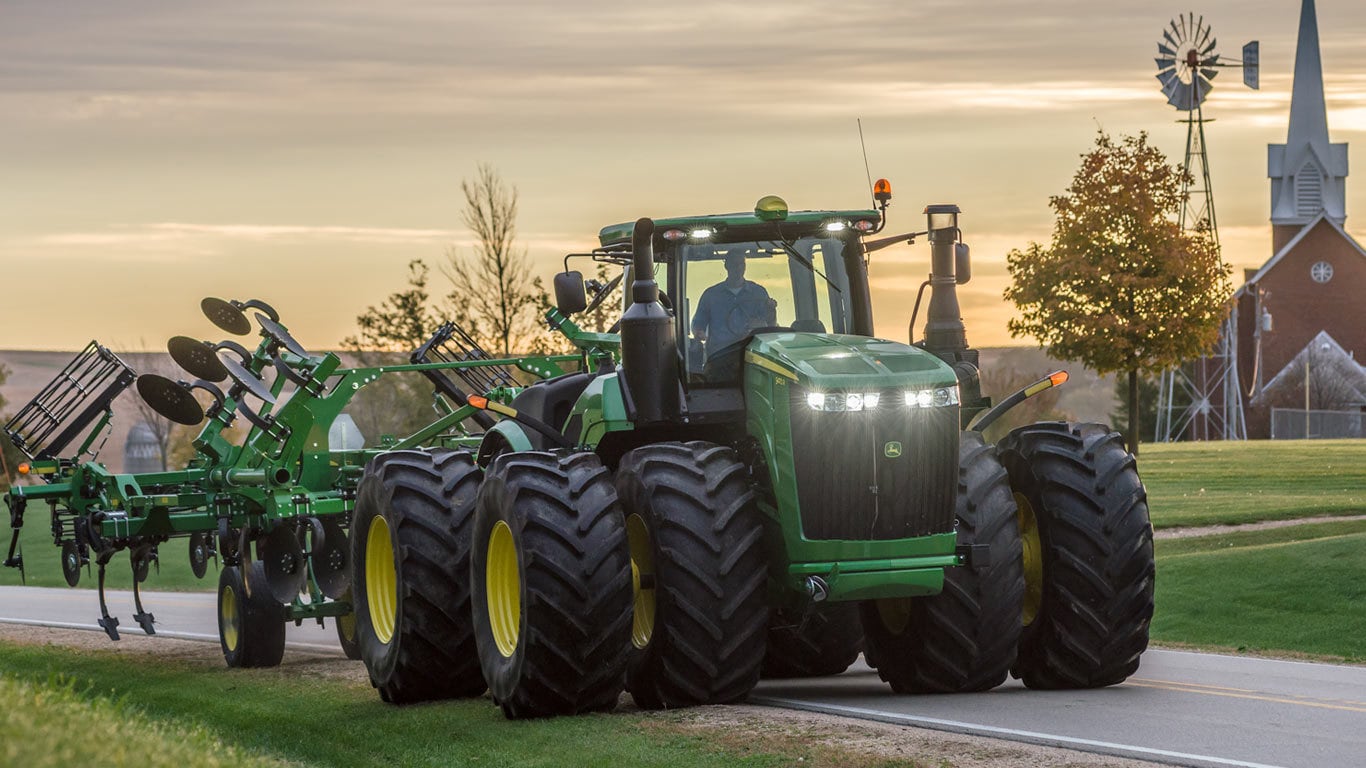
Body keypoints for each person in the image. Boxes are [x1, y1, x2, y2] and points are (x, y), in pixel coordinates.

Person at [691, 251, 777, 355]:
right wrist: (698, 333)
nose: (739, 268)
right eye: (735, 264)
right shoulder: (711, 295)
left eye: (742, 264)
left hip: (753, 353)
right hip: (719, 356)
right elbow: (699, 323)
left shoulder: (758, 293)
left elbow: (770, 325)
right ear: (727, 266)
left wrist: (771, 310)